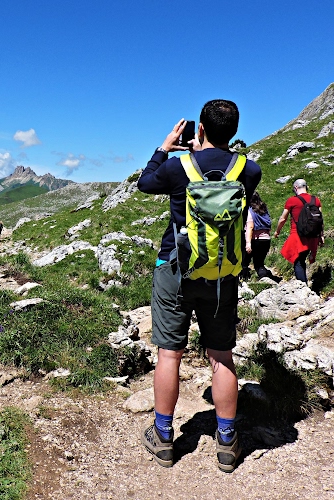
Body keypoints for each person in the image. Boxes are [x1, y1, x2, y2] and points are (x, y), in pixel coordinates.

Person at [137, 100, 261, 472]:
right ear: (234, 132)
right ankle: (227, 442)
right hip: (222, 275)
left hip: (176, 269)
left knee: (169, 354)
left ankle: (163, 436)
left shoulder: (178, 167)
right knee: (221, 356)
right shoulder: (249, 170)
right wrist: (204, 152)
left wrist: (165, 148)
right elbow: (219, 171)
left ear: (200, 129)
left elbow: (145, 183)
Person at [273, 179, 324, 283]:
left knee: (298, 261)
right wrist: (321, 235)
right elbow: (320, 220)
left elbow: (283, 218)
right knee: (302, 260)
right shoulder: (316, 200)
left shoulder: (292, 200)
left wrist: (277, 231)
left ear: (296, 188)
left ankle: (302, 287)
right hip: (313, 236)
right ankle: (304, 285)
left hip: (298, 236)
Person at [241, 191, 272, 279]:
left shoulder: (249, 210)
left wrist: (248, 243)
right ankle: (264, 279)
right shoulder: (264, 210)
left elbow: (250, 227)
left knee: (244, 262)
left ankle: (244, 279)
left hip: (254, 240)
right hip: (266, 239)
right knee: (259, 264)